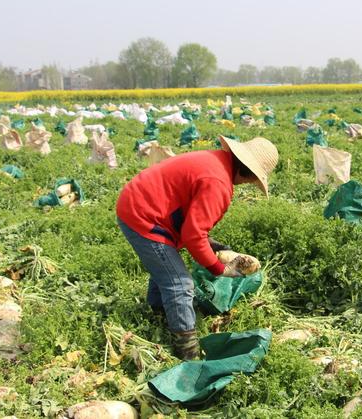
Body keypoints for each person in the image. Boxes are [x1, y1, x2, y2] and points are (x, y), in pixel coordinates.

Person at [116, 135, 279, 359]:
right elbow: (193, 235)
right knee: (180, 283)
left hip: (139, 204)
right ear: (249, 173)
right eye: (252, 180)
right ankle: (187, 352)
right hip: (143, 216)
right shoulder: (219, 183)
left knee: (167, 266)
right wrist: (219, 269)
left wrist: (210, 243)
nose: (249, 184)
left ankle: (157, 313)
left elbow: (189, 215)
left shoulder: (215, 161)